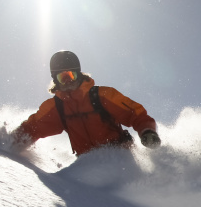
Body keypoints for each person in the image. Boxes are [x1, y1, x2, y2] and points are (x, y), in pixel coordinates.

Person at [10, 50, 161, 155]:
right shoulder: (57, 107)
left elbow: (135, 113)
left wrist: (147, 131)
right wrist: (8, 142)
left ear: (80, 74)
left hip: (120, 157)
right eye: (63, 78)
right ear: (55, 80)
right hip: (87, 165)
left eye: (71, 75)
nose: (68, 81)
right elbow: (34, 127)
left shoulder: (102, 95)